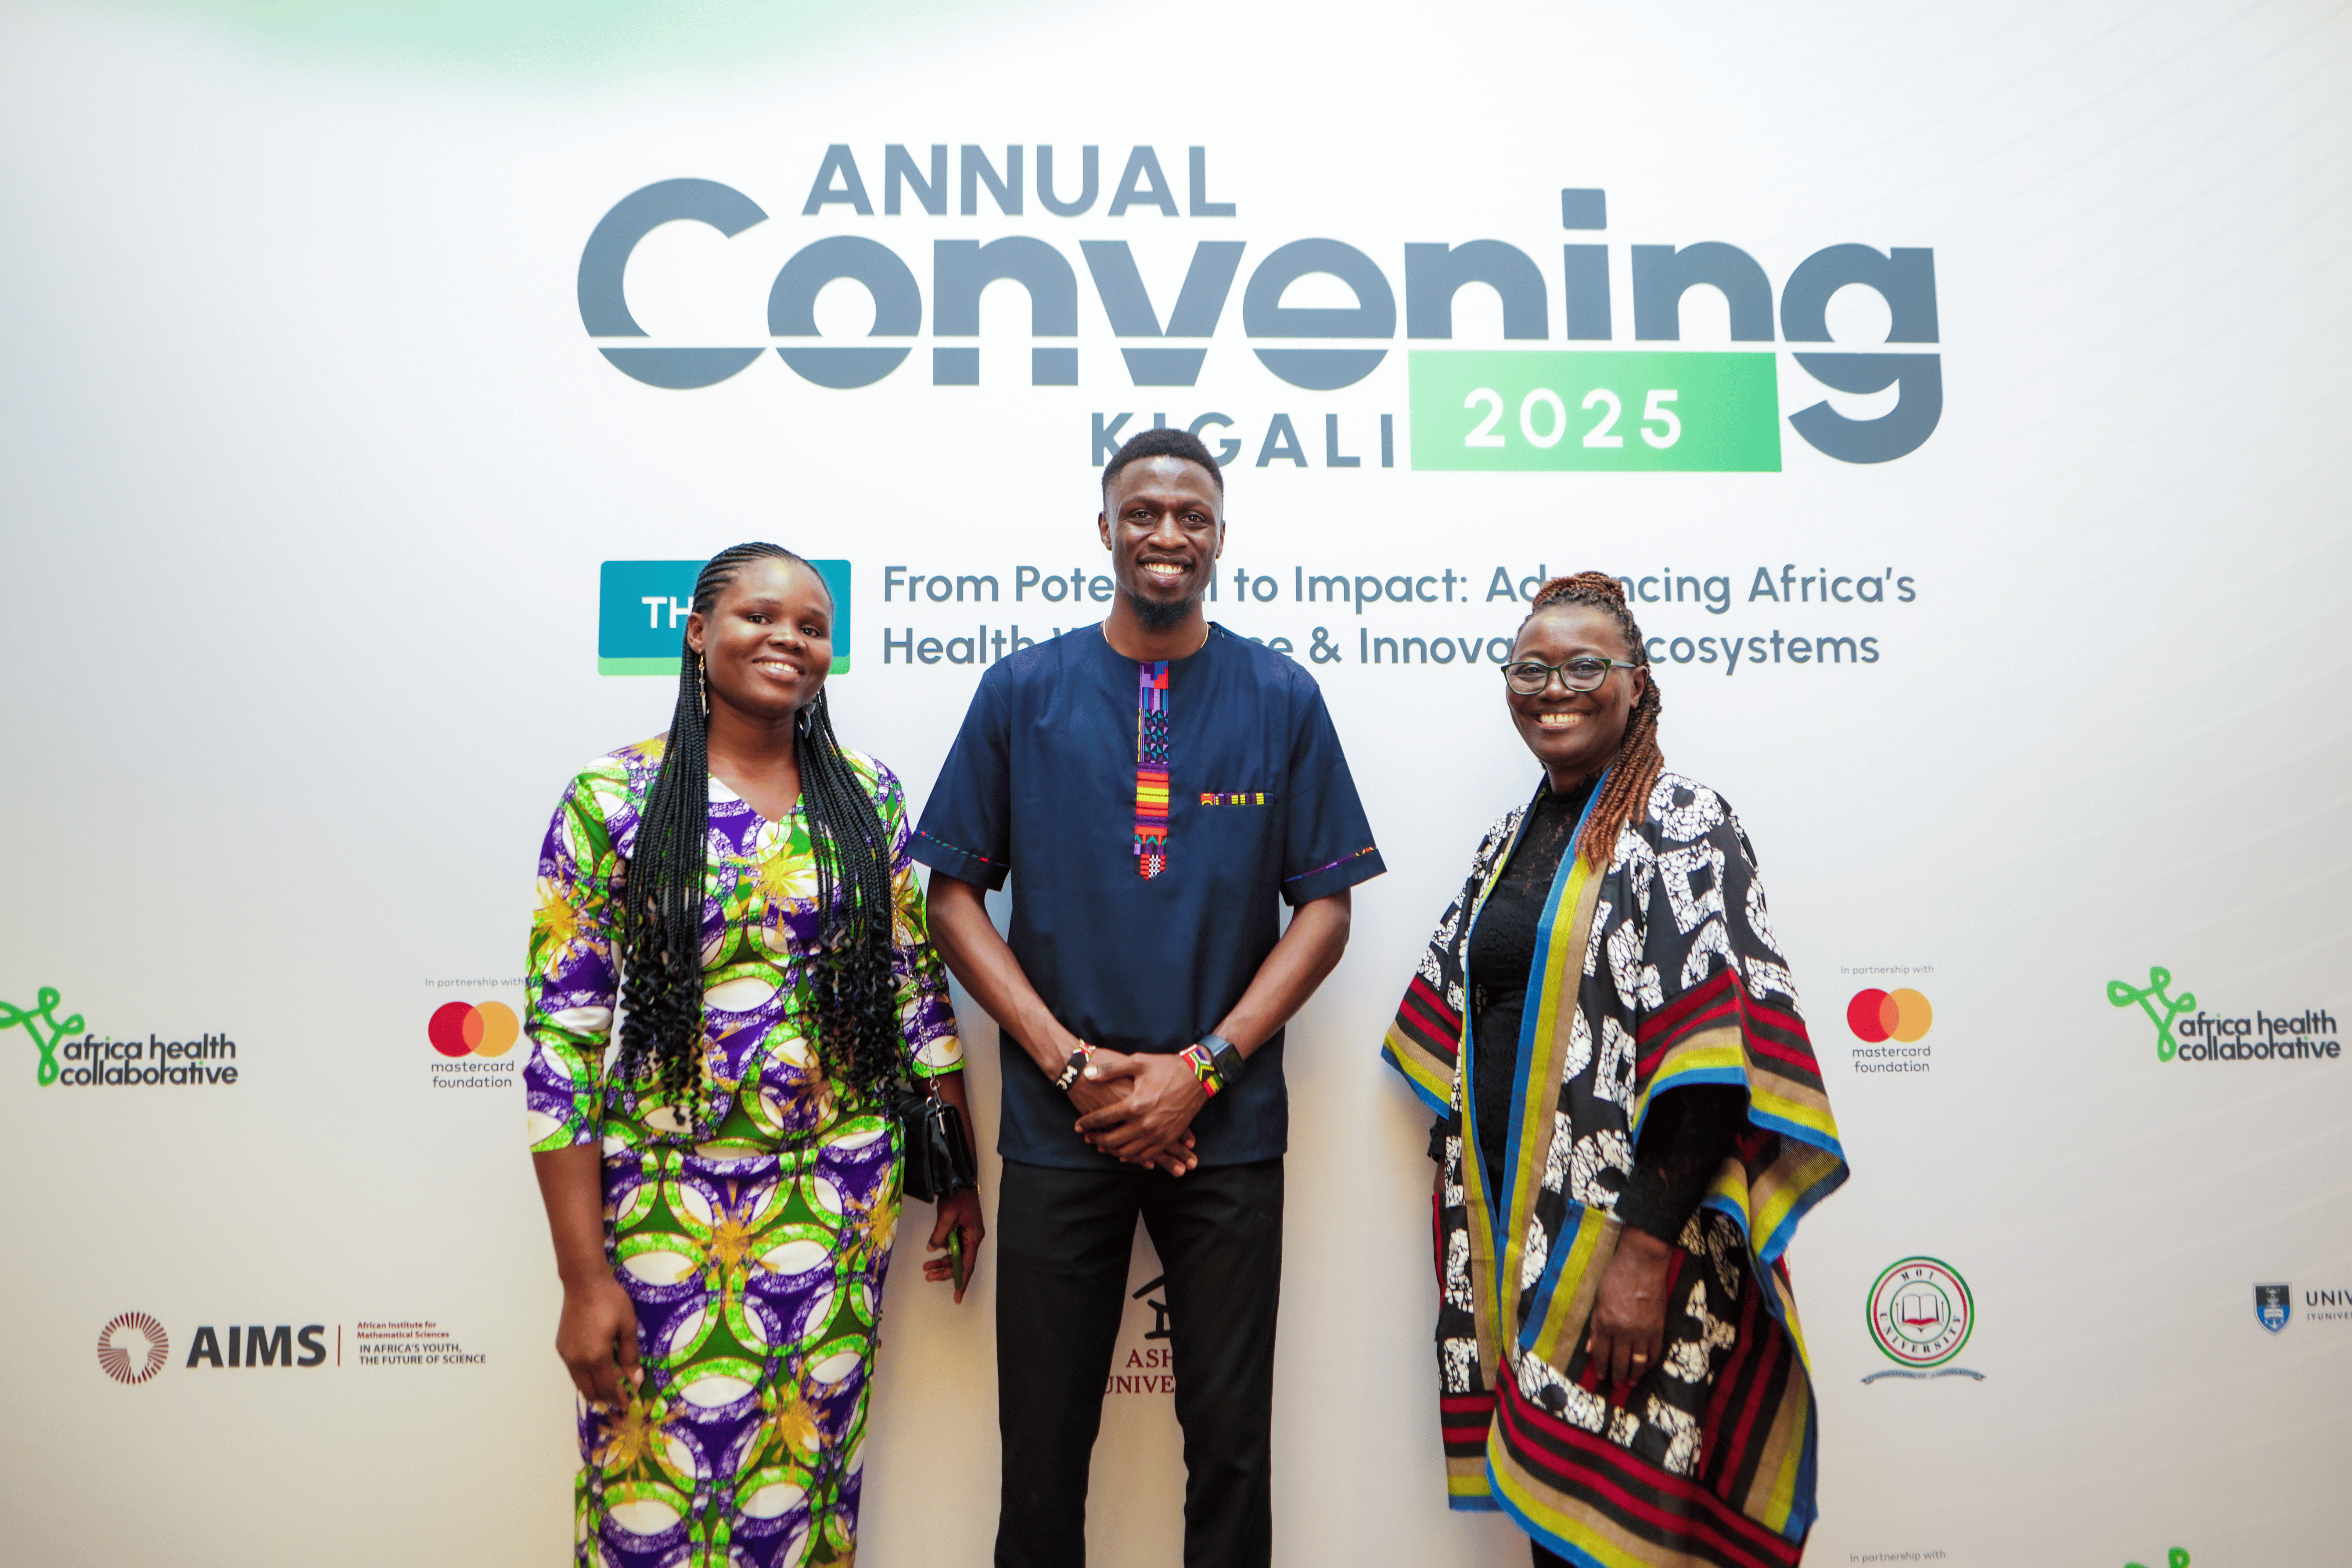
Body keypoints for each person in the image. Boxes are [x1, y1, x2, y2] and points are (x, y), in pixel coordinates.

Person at [912, 427, 1384, 1568]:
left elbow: (1322, 910)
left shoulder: (1280, 693)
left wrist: (1199, 1070)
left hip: (1220, 1131)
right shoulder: (1021, 690)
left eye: (1190, 515)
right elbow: (951, 898)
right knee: (1040, 1449)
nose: (1165, 533)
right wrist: (1073, 1065)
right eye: (1142, 512)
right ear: (1104, 528)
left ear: (1220, 537)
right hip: (1055, 1124)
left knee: (1229, 1448)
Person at [523, 543, 983, 1568]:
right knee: (646, 1504)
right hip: (662, 1208)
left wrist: (954, 1172)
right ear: (697, 633)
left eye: (813, 627)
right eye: (759, 617)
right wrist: (583, 1274)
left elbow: (918, 994)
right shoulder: (614, 799)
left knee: (805, 1493)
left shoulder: (867, 799)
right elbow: (562, 1047)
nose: (788, 638)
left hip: (836, 1208)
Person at [1381, 572, 1849, 1568]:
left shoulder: (1683, 823)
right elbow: (1456, 1032)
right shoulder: (1511, 840)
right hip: (1528, 1244)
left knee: (1633, 1535)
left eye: (1587, 665)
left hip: (1634, 1244)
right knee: (1566, 1539)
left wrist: (1641, 1252)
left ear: (1638, 684)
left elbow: (1717, 1061)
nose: (1556, 685)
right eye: (1532, 667)